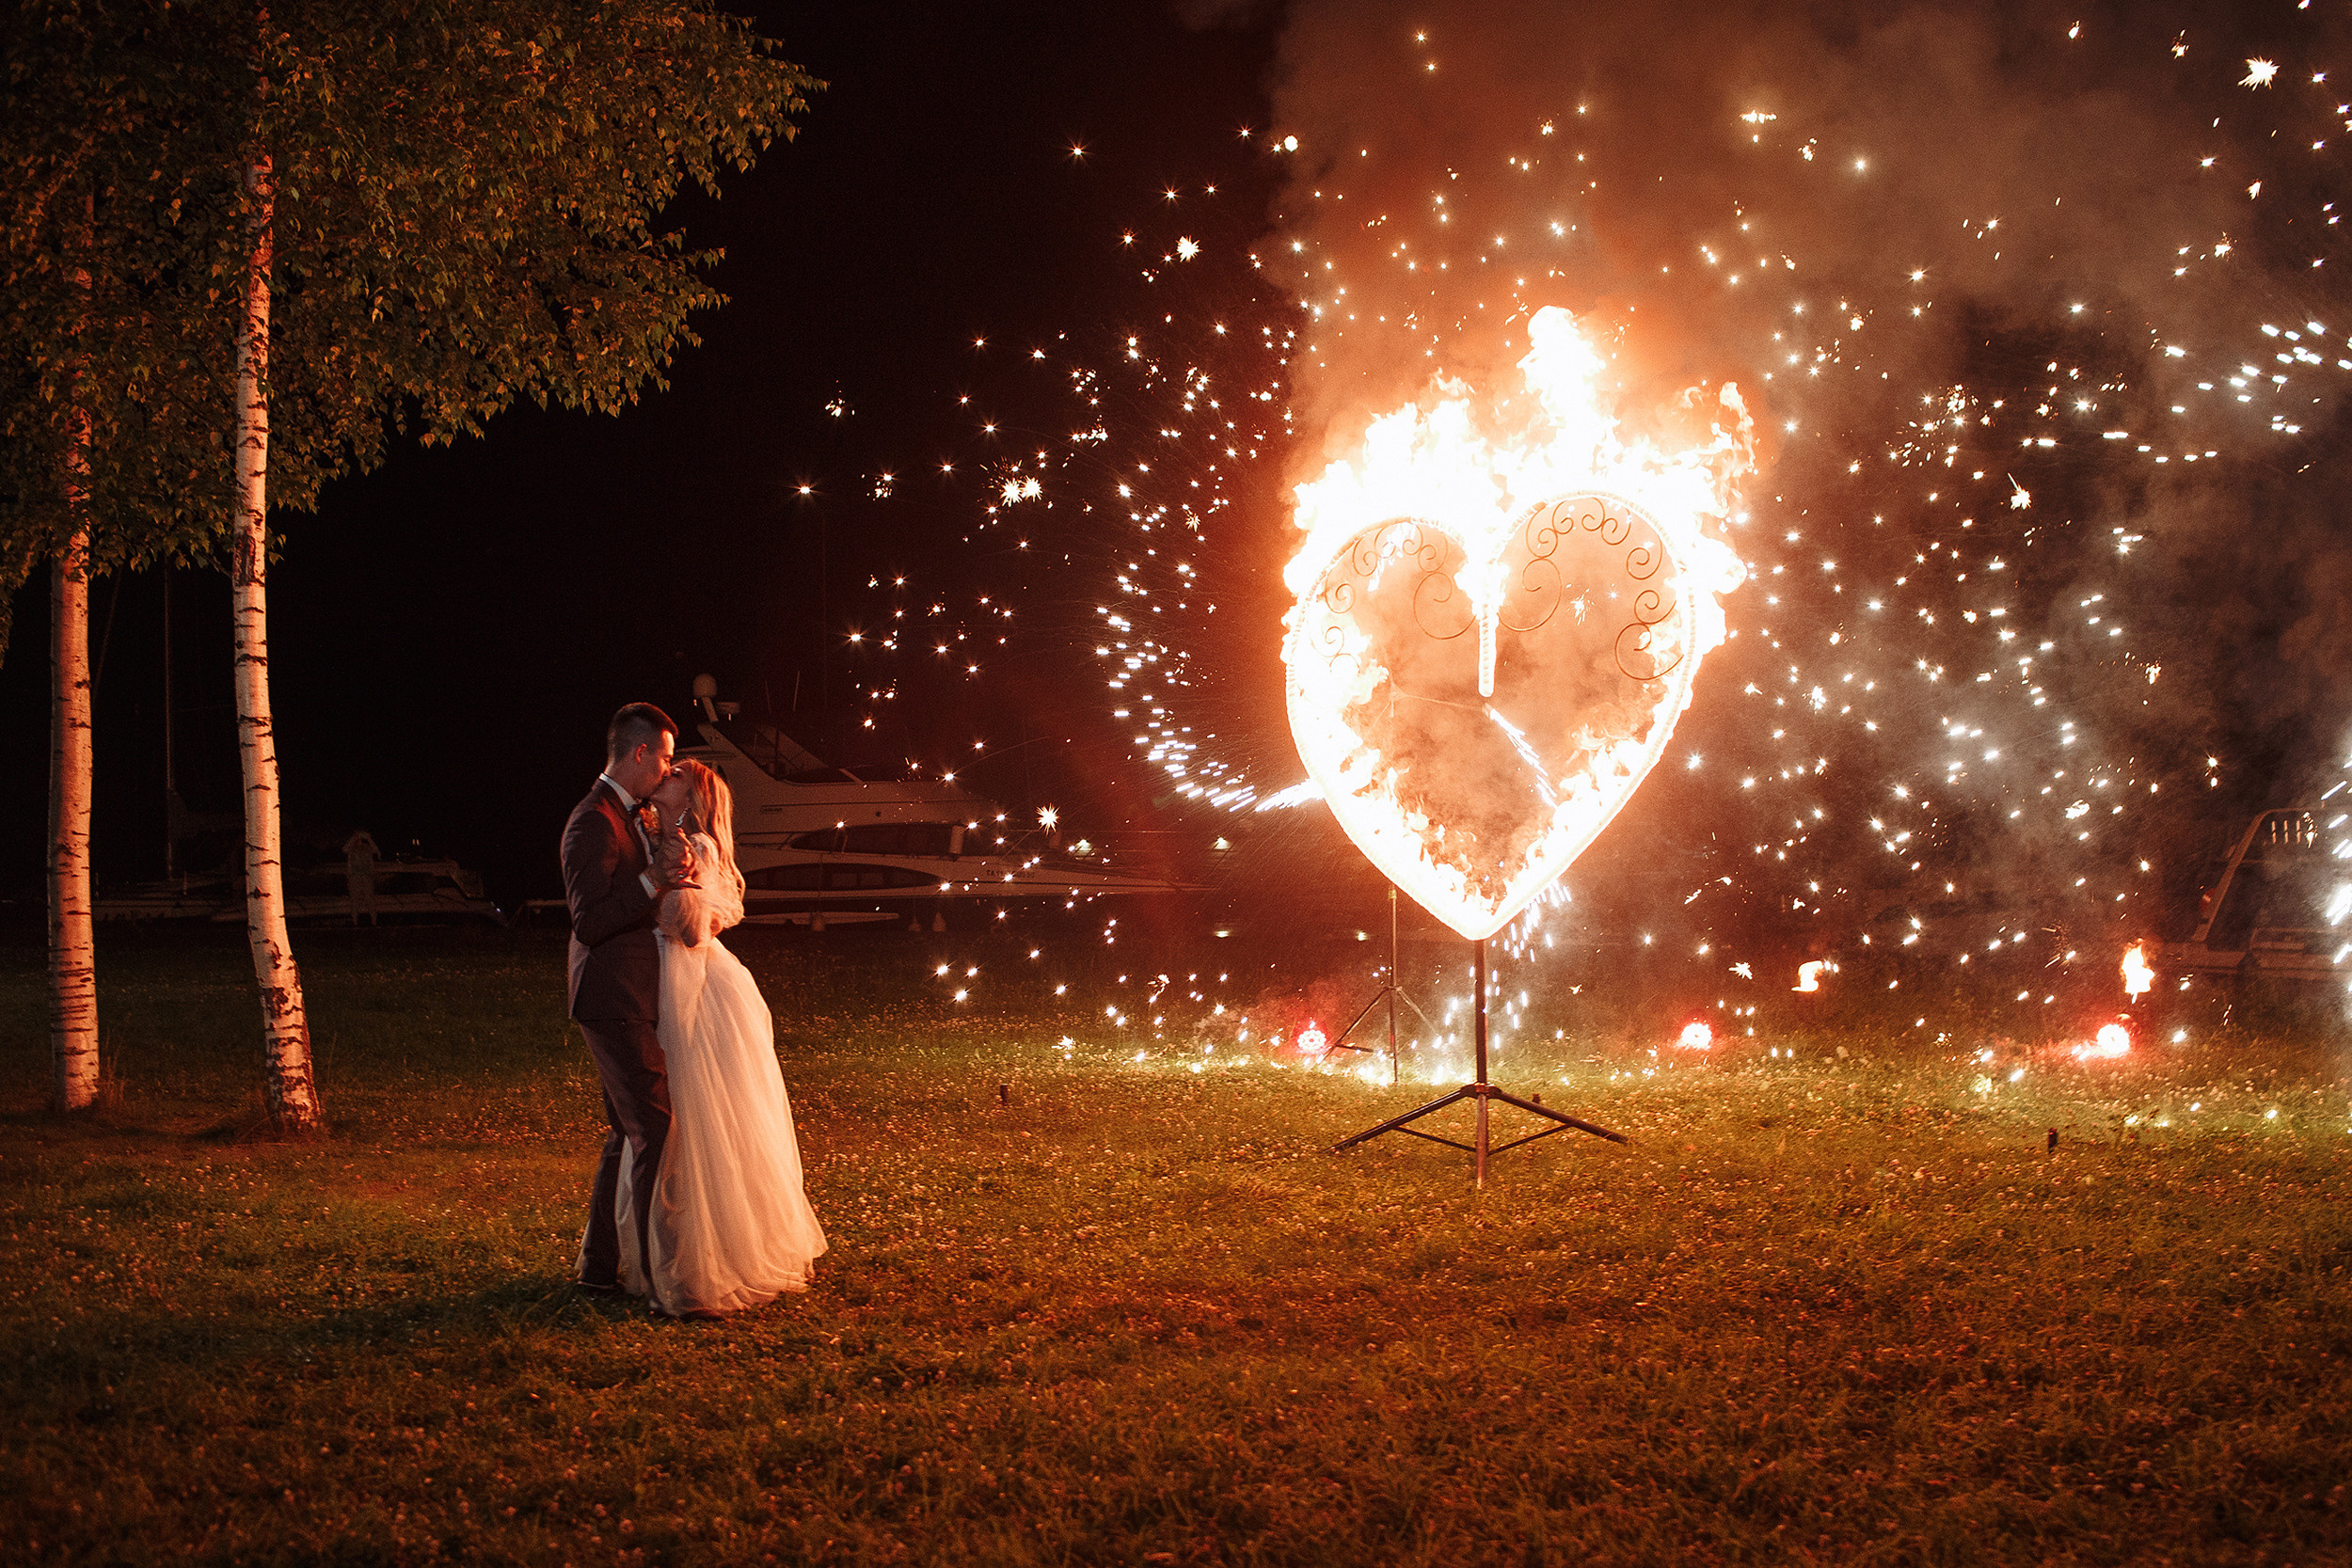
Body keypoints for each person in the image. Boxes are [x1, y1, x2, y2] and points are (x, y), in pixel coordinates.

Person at [614, 757, 827, 1315]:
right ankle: (667, 1250)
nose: (667, 773)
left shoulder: (697, 848)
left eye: (679, 773)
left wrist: (672, 878)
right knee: (670, 1118)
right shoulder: (657, 834)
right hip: (670, 983)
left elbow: (687, 929)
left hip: (695, 990)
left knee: (697, 1117)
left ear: (694, 799)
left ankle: (703, 1263)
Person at [562, 703, 697, 1300]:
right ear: (640, 753)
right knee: (654, 1127)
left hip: (630, 991)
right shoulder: (591, 821)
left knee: (626, 1131)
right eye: (664, 757)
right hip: (610, 993)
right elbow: (589, 921)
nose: (667, 769)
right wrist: (653, 882)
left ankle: (598, 1270)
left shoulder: (632, 815)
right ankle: (657, 1276)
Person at [342, 829, 380, 926]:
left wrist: (369, 839)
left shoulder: (366, 847)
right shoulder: (351, 847)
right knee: (354, 900)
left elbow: (375, 850)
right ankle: (355, 922)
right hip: (354, 877)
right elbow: (344, 849)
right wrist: (353, 839)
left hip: (366, 876)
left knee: (369, 899)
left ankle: (374, 921)